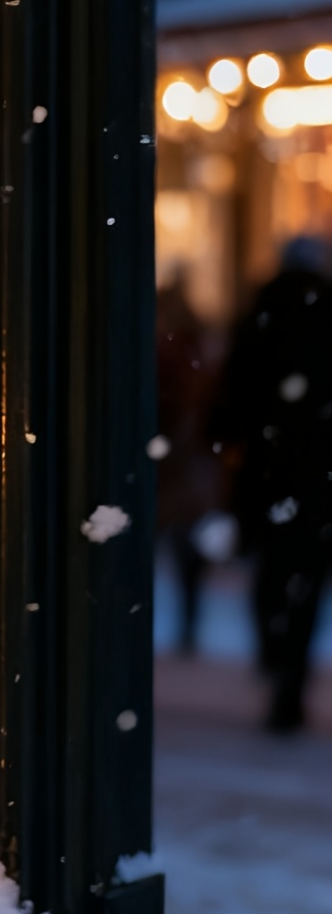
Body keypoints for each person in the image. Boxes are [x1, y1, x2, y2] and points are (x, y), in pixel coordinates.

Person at [212, 236, 332, 731]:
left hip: (267, 470)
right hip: (318, 475)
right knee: (307, 577)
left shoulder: (260, 317)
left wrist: (228, 440)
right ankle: (291, 670)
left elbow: (231, 396)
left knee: (272, 571)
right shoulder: (325, 319)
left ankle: (276, 653)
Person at [154, 275, 222, 653]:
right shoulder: (195, 354)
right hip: (187, 463)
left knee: (175, 543)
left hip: (175, 462)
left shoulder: (169, 354)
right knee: (185, 548)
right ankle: (187, 621)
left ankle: (183, 622)